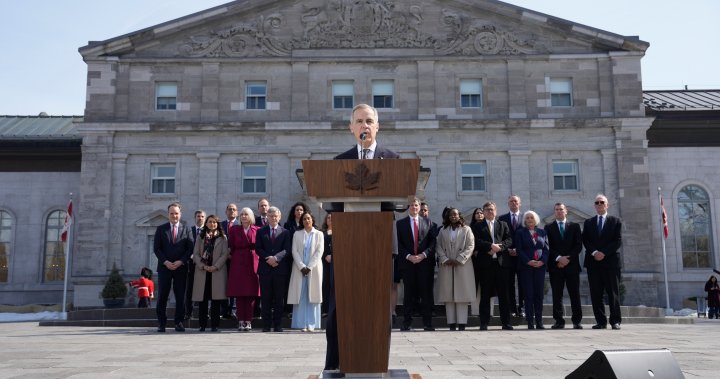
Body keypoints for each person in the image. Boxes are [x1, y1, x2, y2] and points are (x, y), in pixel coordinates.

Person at [325, 103, 400, 372]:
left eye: (369, 121)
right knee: (341, 306)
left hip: (380, 243)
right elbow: (331, 203)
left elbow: (397, 200)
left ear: (377, 126)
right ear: (351, 127)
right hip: (348, 244)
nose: (364, 126)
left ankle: (377, 361)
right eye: (359, 121)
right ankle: (337, 362)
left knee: (378, 307)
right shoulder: (340, 162)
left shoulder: (392, 159)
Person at [471, 201, 514, 331]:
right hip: (485, 265)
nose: (490, 212)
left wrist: (498, 248)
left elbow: (509, 239)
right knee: (485, 295)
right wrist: (489, 246)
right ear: (483, 212)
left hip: (501, 265)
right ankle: (484, 323)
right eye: (487, 210)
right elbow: (476, 241)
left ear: (496, 211)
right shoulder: (478, 226)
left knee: (504, 295)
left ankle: (506, 323)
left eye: (492, 209)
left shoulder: (503, 224)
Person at [583, 193, 623, 330]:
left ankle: (615, 321)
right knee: (596, 293)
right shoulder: (588, 223)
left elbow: (617, 241)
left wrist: (604, 253)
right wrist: (595, 252)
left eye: (602, 202)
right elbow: (586, 240)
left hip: (611, 263)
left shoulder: (616, 221)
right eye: (597, 203)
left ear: (607, 205)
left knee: (613, 293)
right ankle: (600, 321)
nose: (599, 204)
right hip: (593, 263)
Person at [397, 197, 437, 331]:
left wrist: (422, 255)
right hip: (408, 264)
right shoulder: (400, 224)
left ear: (420, 207)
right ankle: (406, 323)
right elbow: (398, 244)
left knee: (426, 294)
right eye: (412, 205)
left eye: (416, 205)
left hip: (424, 264)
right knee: (408, 295)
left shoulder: (429, 223)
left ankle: (428, 323)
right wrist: (409, 256)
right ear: (408, 207)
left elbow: (433, 243)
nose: (414, 208)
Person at [153, 202, 193, 332]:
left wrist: (181, 261)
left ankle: (179, 322)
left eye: (176, 213)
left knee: (180, 296)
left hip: (181, 268)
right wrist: (165, 262)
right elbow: (157, 249)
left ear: (180, 214)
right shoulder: (161, 229)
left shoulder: (186, 228)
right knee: (162, 296)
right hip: (165, 268)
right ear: (168, 214)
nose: (174, 216)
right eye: (171, 213)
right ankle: (161, 323)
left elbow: (190, 248)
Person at [544, 203, 583, 329]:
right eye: (556, 210)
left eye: (561, 209)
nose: (559, 211)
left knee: (574, 294)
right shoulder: (548, 227)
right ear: (554, 212)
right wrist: (559, 258)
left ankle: (577, 321)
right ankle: (559, 321)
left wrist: (567, 258)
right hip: (556, 266)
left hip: (572, 266)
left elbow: (578, 246)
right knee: (557, 294)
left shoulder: (575, 226)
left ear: (566, 211)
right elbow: (547, 246)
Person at [436, 208, 475, 331]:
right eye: (451, 215)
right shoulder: (442, 231)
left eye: (455, 214)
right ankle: (451, 323)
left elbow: (470, 245)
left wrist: (460, 258)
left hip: (462, 265)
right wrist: (444, 259)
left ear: (459, 216)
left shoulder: (467, 229)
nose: (453, 216)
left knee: (462, 295)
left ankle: (462, 323)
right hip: (447, 265)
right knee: (449, 295)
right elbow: (438, 246)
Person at [255, 206, 293, 332]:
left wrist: (276, 258)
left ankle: (278, 324)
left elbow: (287, 249)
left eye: (275, 215)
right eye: (271, 216)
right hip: (265, 270)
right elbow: (258, 248)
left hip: (280, 269)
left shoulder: (285, 232)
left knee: (279, 298)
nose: (273, 218)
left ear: (279, 217)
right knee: (265, 298)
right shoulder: (261, 231)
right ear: (267, 218)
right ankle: (266, 325)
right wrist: (268, 258)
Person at [191, 215, 229, 332]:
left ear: (217, 224)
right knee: (202, 300)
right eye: (209, 222)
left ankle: (214, 325)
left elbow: (225, 254)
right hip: (203, 271)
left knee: (215, 300)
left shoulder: (223, 238)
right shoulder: (200, 237)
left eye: (214, 222)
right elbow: (195, 254)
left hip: (217, 271)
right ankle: (202, 324)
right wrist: (203, 265)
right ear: (206, 223)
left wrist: (215, 266)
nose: (212, 224)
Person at [288, 212, 324, 331]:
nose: (306, 221)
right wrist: (302, 266)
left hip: (314, 269)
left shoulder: (319, 234)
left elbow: (319, 252)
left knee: (312, 295)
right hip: (299, 269)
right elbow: (294, 251)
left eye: (308, 218)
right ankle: (301, 324)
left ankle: (312, 324)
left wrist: (309, 267)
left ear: (312, 220)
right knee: (301, 295)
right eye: (304, 219)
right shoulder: (297, 234)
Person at [226, 207, 259, 331]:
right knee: (239, 293)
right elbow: (231, 246)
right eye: (242, 214)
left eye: (246, 214)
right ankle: (240, 320)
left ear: (251, 216)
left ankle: (248, 320)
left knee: (251, 293)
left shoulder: (257, 229)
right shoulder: (234, 229)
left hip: (252, 261)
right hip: (238, 262)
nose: (243, 216)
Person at [514, 210, 549, 329]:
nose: (529, 220)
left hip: (540, 267)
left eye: (532, 218)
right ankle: (530, 321)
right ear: (524, 220)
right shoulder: (520, 233)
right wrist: (528, 261)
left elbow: (546, 249)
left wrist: (542, 261)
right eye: (527, 218)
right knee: (528, 294)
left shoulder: (542, 232)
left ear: (536, 220)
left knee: (539, 295)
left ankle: (539, 321)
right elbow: (519, 250)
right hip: (526, 267)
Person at [498, 195, 524, 317]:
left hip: (522, 256)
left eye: (516, 201)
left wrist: (518, 250)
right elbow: (500, 237)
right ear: (508, 204)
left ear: (520, 203)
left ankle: (522, 309)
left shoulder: (526, 217)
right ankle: (512, 309)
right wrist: (508, 249)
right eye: (511, 201)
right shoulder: (502, 218)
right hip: (507, 256)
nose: (513, 203)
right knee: (509, 284)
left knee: (523, 283)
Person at [184, 209, 206, 321]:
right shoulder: (189, 230)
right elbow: (186, 247)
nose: (200, 218)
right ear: (195, 218)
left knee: (204, 289)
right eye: (198, 216)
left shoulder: (208, 232)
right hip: (191, 265)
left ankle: (205, 313)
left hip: (204, 265)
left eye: (202, 216)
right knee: (190, 290)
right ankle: (188, 312)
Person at [220, 203, 239, 319]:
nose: (231, 211)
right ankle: (224, 310)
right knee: (223, 284)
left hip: (235, 259)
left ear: (237, 212)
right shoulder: (220, 225)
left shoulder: (240, 224)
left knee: (234, 284)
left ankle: (233, 308)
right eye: (229, 209)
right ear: (226, 211)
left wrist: (232, 254)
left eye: (234, 209)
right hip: (223, 260)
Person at [320, 213, 333, 316]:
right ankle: (325, 310)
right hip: (324, 262)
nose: (330, 219)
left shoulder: (340, 231)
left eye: (332, 218)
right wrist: (325, 255)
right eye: (328, 218)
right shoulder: (322, 233)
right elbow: (319, 247)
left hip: (336, 262)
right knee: (325, 285)